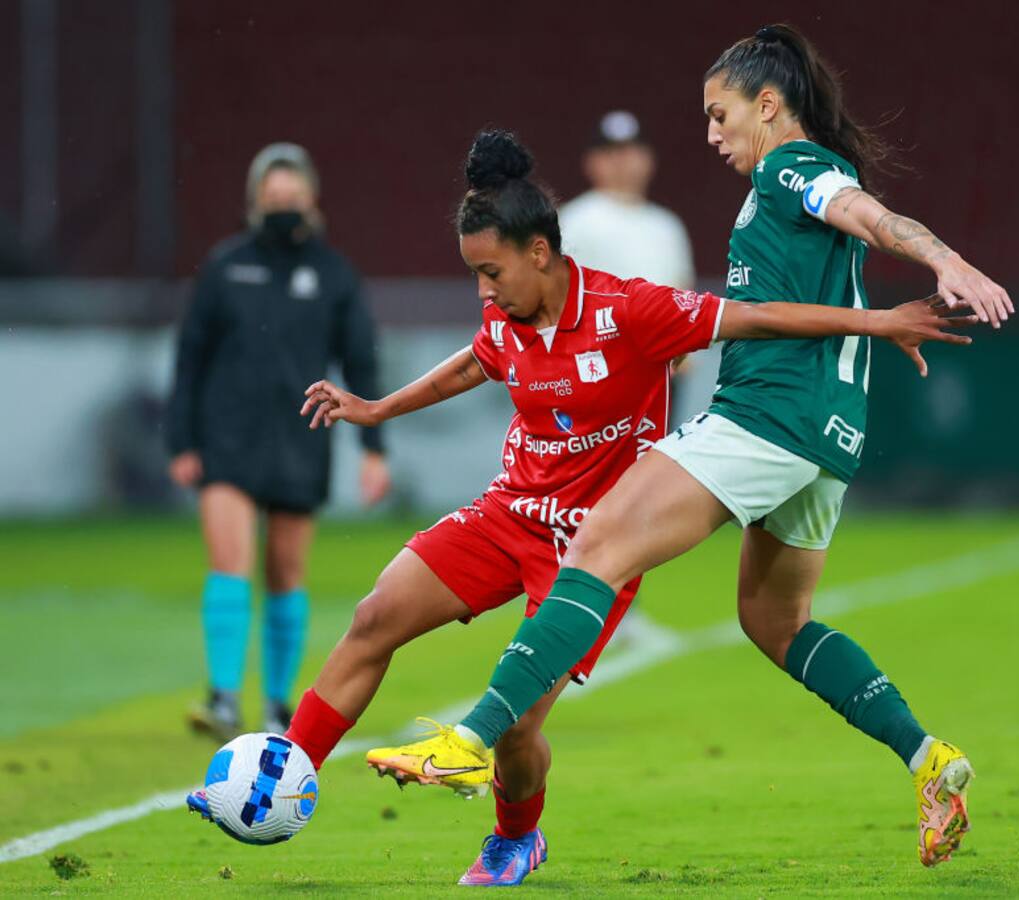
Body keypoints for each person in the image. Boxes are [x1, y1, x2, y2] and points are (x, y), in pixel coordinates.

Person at [184, 129, 975, 886]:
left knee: (521, 730)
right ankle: (285, 775)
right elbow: (472, 364)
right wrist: (376, 409)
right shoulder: (506, 315)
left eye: (491, 273)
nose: (483, 293)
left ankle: (515, 840)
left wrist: (874, 322)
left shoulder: (632, 312)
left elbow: (757, 317)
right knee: (373, 617)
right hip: (509, 513)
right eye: (474, 277)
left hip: (589, 550)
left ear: (541, 253)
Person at [389, 25, 1014, 871]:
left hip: (767, 415)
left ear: (768, 105)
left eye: (720, 116)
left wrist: (947, 260)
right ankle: (927, 757)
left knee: (597, 542)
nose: (711, 135)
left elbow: (867, 215)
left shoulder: (793, 166)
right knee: (772, 618)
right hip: (828, 435)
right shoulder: (788, 185)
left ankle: (473, 736)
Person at [167, 142, 391, 739]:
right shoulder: (224, 266)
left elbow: (362, 362)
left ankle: (277, 703)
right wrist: (182, 441)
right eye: (274, 194)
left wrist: (374, 449)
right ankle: (222, 698)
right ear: (256, 198)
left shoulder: (334, 273)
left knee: (286, 573)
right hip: (227, 438)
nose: (284, 203)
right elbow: (190, 357)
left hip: (301, 438)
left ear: (312, 199)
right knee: (229, 565)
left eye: (294, 194)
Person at [558, 110, 694, 289]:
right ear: (590, 162)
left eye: (630, 151)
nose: (621, 161)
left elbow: (684, 292)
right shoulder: (573, 220)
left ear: (648, 159)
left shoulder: (667, 225)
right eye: (609, 153)